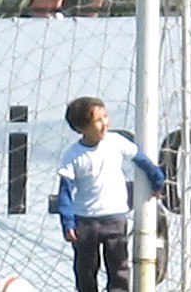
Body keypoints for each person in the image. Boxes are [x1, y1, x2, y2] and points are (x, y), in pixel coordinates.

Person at [57, 96, 165, 292]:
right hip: (85, 223)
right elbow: (65, 192)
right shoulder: (72, 156)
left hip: (115, 219)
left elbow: (141, 159)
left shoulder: (116, 142)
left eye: (105, 116)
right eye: (98, 120)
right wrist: (68, 222)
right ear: (82, 128)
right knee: (85, 270)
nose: (105, 123)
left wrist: (157, 179)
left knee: (119, 268)